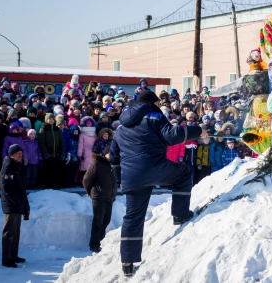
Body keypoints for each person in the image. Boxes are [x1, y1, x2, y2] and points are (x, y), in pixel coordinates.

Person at [110, 90, 206, 277]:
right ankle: (180, 215)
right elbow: (172, 135)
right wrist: (197, 130)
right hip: (154, 166)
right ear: (152, 103)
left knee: (133, 216)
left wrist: (120, 179)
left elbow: (114, 156)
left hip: (131, 177)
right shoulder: (154, 116)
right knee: (184, 173)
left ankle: (127, 262)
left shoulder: (121, 126)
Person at [82, 145, 117, 253]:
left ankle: (100, 240)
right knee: (98, 220)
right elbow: (86, 179)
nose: (112, 155)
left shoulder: (113, 164)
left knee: (106, 220)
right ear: (105, 153)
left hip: (109, 196)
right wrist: (90, 192)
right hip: (99, 196)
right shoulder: (97, 163)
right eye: (110, 153)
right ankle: (94, 244)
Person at [0, 144, 29, 268]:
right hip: (11, 205)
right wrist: (16, 201)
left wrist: (23, 202)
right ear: (11, 154)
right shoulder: (8, 166)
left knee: (16, 231)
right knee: (9, 232)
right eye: (18, 153)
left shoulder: (17, 165)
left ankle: (13, 255)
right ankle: (6, 259)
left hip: (17, 204)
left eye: (21, 153)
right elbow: (7, 187)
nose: (20, 155)